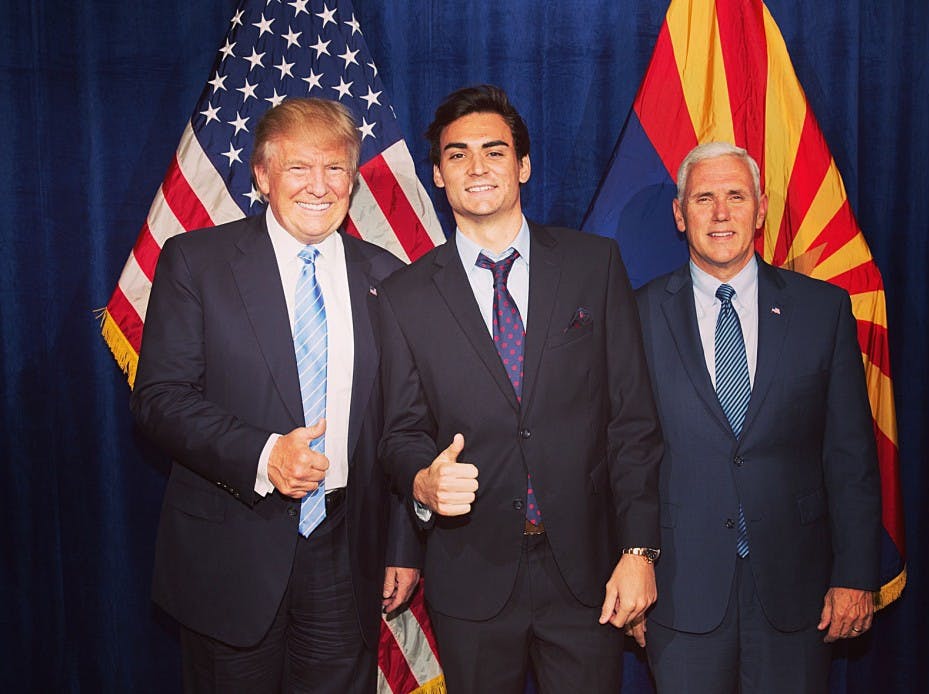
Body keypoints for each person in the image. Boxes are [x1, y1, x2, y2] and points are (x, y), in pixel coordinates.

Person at [377, 84, 663, 694]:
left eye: (494, 151)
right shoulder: (404, 296)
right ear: (437, 174)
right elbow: (401, 431)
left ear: (523, 166)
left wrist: (640, 552)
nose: (476, 168)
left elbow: (632, 423)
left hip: (588, 575)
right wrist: (422, 481)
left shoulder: (594, 266)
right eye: (457, 155)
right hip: (470, 577)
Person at [131, 98, 421, 694]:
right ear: (262, 177)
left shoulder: (388, 277)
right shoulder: (198, 262)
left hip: (347, 556)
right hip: (230, 549)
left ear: (353, 179)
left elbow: (400, 426)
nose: (320, 186)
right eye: (299, 168)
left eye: (336, 169)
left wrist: (402, 544)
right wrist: (265, 455)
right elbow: (160, 399)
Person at [634, 141, 882, 693]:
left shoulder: (823, 310)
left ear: (761, 208)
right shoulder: (636, 314)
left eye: (735, 196)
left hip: (798, 591)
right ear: (679, 214)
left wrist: (855, 574)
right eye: (703, 198)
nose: (721, 214)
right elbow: (620, 457)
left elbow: (850, 456)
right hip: (680, 590)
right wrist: (627, 570)